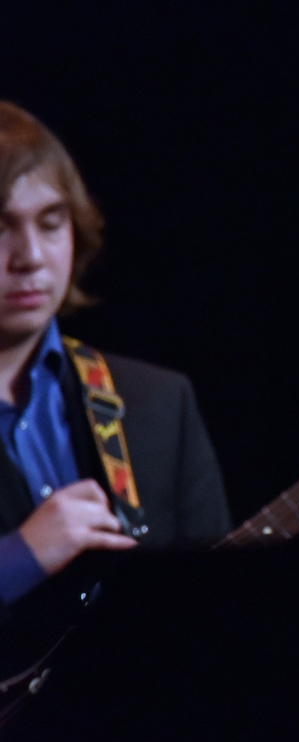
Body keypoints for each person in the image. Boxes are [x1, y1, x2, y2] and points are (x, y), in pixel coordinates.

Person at [0, 103, 229, 608]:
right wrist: (22, 555)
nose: (31, 257)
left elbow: (219, 608)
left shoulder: (158, 402)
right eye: (2, 228)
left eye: (51, 224)